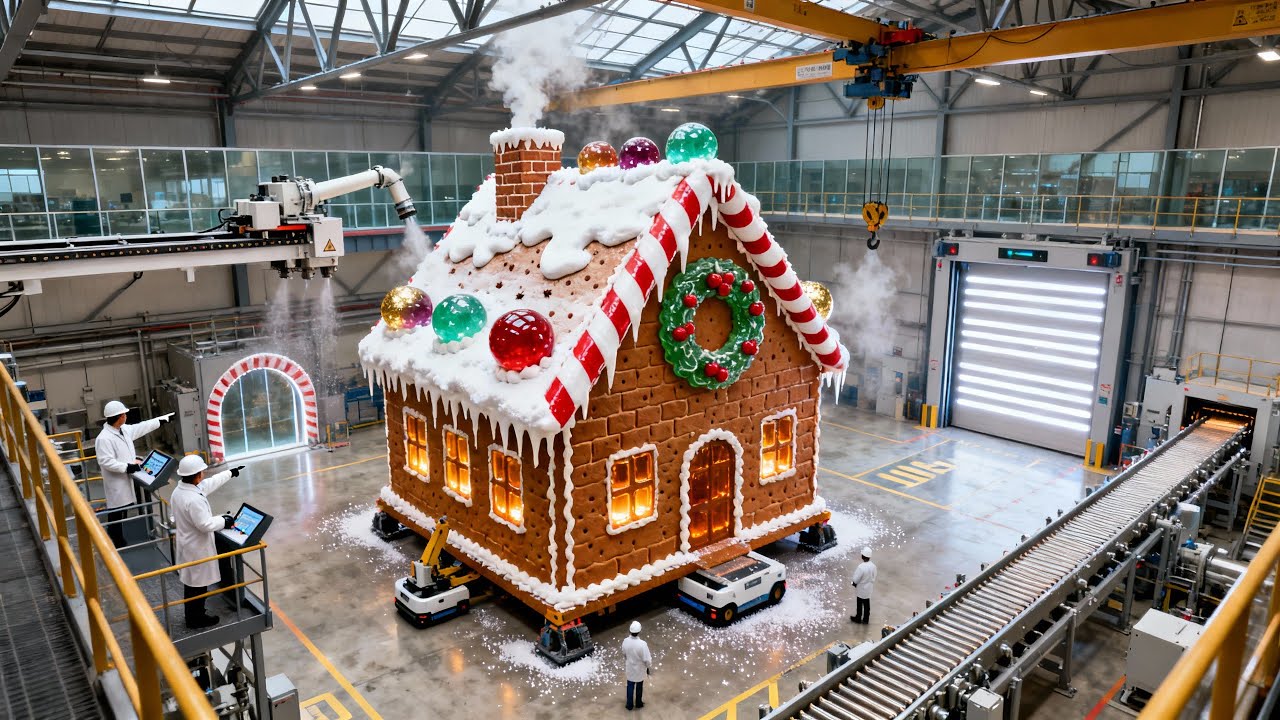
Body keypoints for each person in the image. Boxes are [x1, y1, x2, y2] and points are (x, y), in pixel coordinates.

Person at [170, 455, 242, 629]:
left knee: (192, 583)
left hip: (187, 543)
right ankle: (195, 619)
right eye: (202, 472)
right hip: (197, 548)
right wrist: (224, 520)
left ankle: (194, 614)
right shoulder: (193, 499)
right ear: (197, 475)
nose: (203, 475)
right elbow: (205, 524)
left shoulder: (180, 491)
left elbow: (208, 484)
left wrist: (229, 473)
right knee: (197, 586)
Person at [93, 400, 167, 548]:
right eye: (124, 414)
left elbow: (141, 427)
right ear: (120, 417)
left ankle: (119, 538)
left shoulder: (123, 430)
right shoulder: (104, 438)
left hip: (127, 477)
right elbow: (106, 461)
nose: (126, 416)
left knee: (123, 509)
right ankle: (116, 542)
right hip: (117, 482)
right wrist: (128, 467)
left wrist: (161, 421)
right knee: (116, 512)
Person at [621, 620, 652, 711]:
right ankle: (638, 703)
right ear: (639, 631)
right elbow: (647, 659)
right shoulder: (642, 644)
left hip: (630, 668)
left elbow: (624, 653)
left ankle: (629, 705)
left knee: (630, 686)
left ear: (630, 631)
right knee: (639, 686)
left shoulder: (625, 641)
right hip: (640, 670)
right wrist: (648, 666)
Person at [850, 546, 878, 625]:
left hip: (861, 589)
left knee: (859, 604)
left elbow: (856, 579)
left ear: (863, 556)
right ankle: (866, 619)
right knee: (866, 604)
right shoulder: (873, 566)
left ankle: (858, 618)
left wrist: (854, 583)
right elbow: (874, 576)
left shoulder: (861, 567)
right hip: (869, 588)